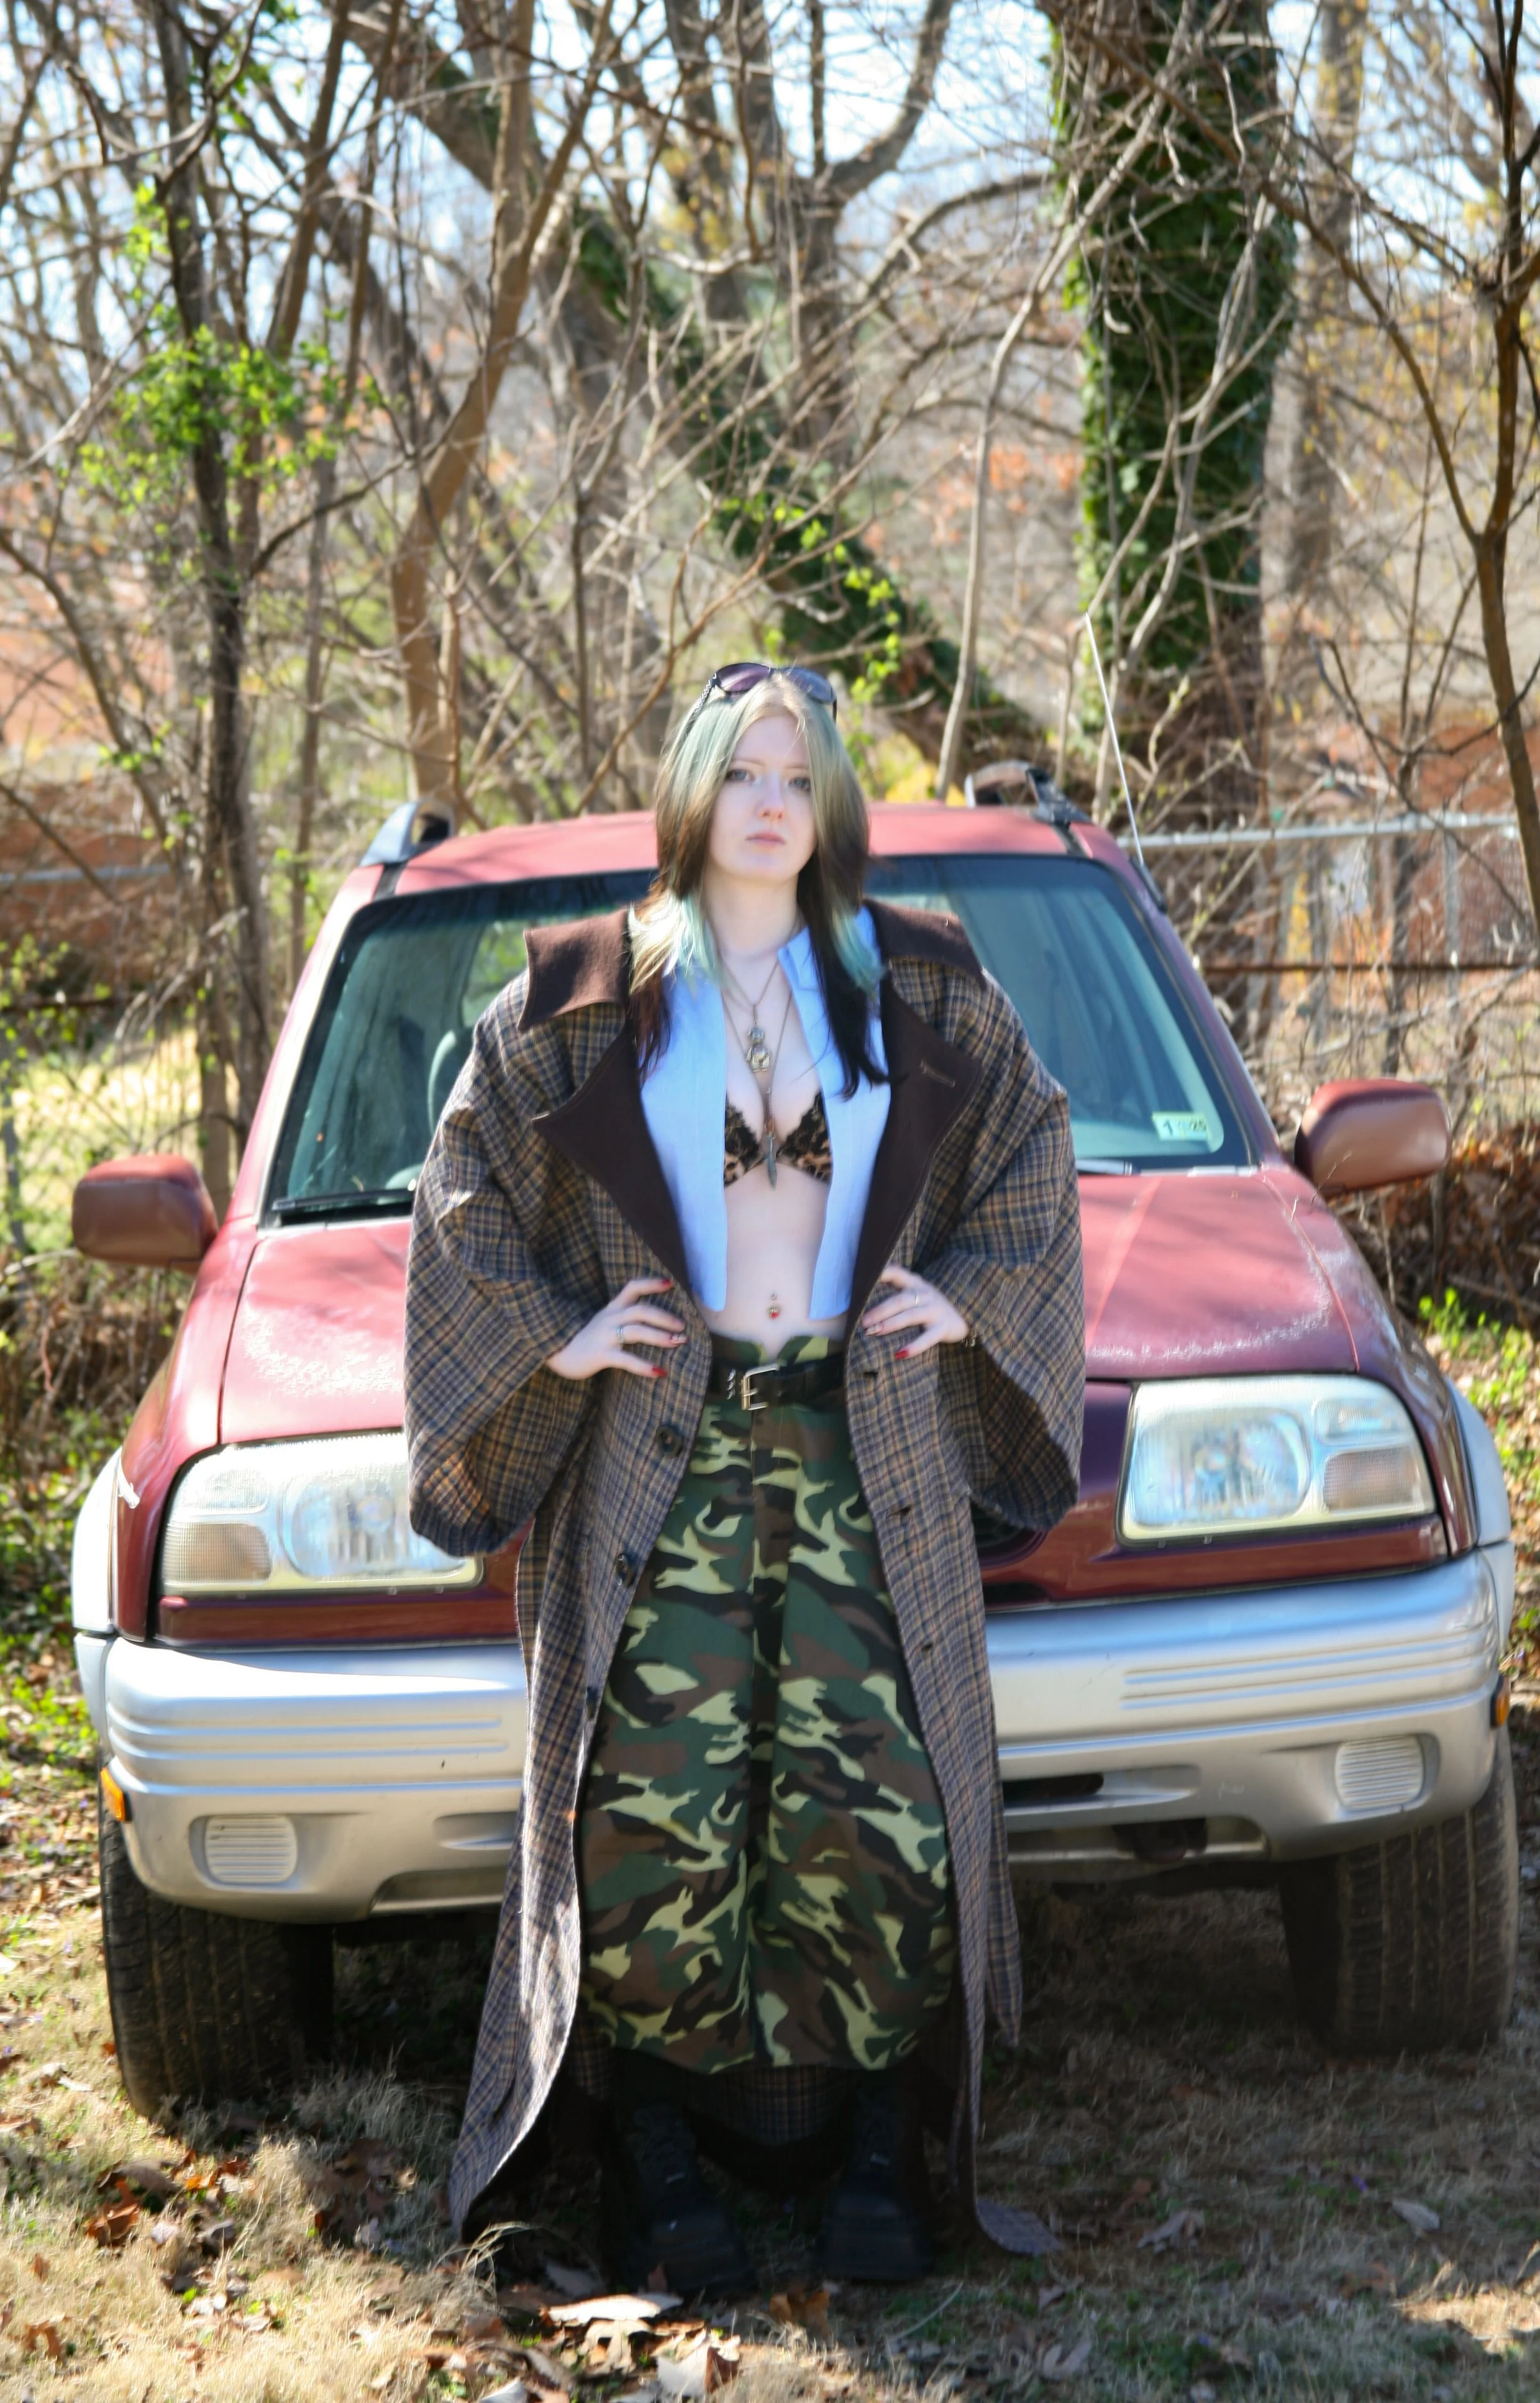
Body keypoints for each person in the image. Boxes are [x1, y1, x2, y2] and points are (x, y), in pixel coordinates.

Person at [404, 662, 1085, 2290]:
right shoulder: (589, 997)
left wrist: (968, 1297)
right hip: (666, 1447)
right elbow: (463, 1189)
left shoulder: (914, 984)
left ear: (827, 802)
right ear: (694, 790)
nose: (770, 803)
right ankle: (655, 2158)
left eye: (797, 776)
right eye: (742, 772)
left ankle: (878, 2147)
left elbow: (1031, 1150)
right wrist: (559, 1334)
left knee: (889, 1800)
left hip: (867, 1443)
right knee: (648, 1805)